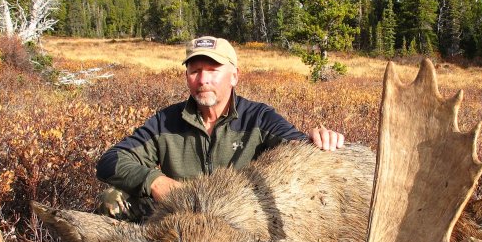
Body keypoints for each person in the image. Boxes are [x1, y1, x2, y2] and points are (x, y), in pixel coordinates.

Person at [97, 36, 345, 211]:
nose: (203, 79)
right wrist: (156, 182)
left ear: (234, 75)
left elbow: (297, 147)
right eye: (195, 71)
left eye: (213, 69)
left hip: (241, 223)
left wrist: (318, 138)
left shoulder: (258, 118)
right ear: (187, 77)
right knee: (112, 198)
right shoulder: (166, 122)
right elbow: (111, 161)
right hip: (180, 218)